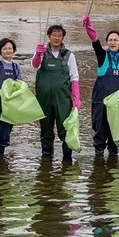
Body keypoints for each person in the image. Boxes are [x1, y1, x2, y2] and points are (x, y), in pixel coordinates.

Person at [82, 15, 119, 157]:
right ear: (107, 42)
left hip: (118, 103)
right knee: (100, 128)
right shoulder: (103, 56)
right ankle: (98, 157)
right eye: (110, 40)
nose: (113, 42)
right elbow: (95, 41)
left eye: (115, 40)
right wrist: (88, 26)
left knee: (115, 130)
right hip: (101, 100)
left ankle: (113, 156)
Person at [31, 25, 80, 161]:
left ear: (63, 37)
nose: (57, 38)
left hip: (62, 99)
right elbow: (35, 65)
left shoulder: (69, 55)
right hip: (44, 98)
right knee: (45, 128)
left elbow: (74, 78)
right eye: (54, 35)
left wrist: (76, 99)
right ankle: (46, 159)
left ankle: (67, 159)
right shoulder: (41, 53)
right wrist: (38, 54)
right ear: (49, 36)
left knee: (65, 128)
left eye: (59, 35)